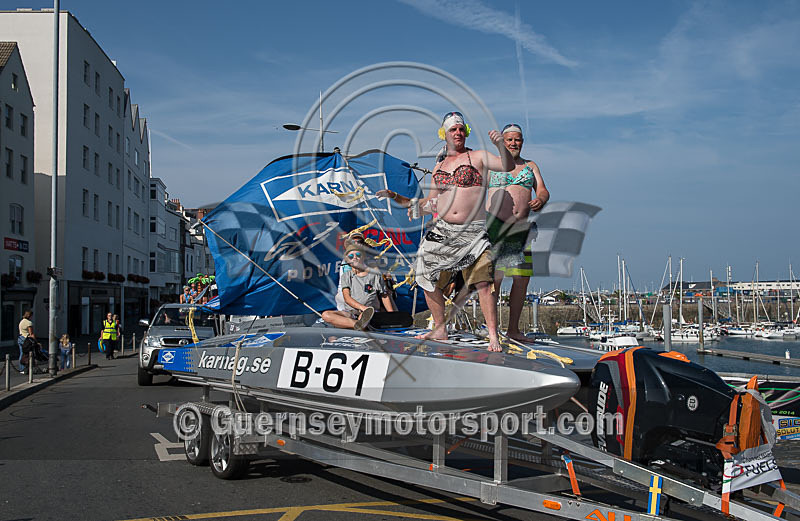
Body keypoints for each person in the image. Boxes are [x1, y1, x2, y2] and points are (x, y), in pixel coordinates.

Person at [377, 111, 514, 351]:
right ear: (444, 134)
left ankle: (493, 334)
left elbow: (507, 165)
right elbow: (429, 204)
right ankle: (439, 328)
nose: (458, 133)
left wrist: (500, 145)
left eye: (461, 129)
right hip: (444, 230)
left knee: (483, 282)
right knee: (423, 273)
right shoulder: (439, 166)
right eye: (453, 130)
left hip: (473, 230)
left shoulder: (478, 157)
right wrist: (397, 198)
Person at [486, 124, 549, 341]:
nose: (514, 143)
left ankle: (513, 329)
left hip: (521, 229)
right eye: (510, 140)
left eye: (518, 140)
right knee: (495, 278)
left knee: (521, 280)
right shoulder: (493, 165)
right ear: (503, 142)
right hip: (495, 228)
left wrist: (540, 199)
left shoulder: (531, 166)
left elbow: (542, 189)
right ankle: (492, 329)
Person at [322, 243, 396, 330]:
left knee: (364, 317)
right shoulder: (346, 276)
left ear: (363, 257)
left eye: (358, 254)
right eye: (351, 256)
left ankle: (360, 324)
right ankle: (359, 325)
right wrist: (362, 308)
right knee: (326, 315)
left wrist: (392, 316)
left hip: (371, 312)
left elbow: (384, 296)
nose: (354, 258)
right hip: (352, 313)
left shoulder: (374, 274)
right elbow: (347, 298)